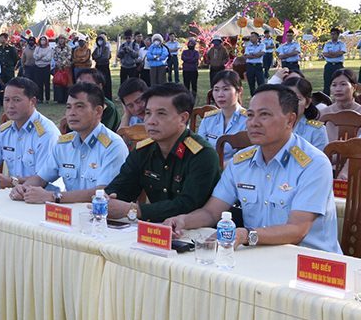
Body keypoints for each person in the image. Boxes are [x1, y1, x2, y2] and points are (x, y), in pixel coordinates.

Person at [163, 84, 341, 255]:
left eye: (264, 115)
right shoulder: (241, 162)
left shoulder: (313, 164)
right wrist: (183, 220)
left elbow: (297, 230)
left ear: (290, 120)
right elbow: (212, 211)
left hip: (310, 264)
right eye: (250, 115)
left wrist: (246, 235)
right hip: (258, 255)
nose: (253, 123)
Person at [104, 83, 222, 223]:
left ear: (183, 119)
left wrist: (133, 210)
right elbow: (122, 187)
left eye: (161, 114)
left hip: (194, 233)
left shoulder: (202, 155)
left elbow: (186, 205)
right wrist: (106, 199)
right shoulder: (143, 151)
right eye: (148, 113)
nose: (150, 121)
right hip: (155, 230)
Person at [9, 82, 128, 204]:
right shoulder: (63, 144)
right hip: (66, 215)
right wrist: (22, 189)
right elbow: (40, 179)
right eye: (68, 107)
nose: (72, 113)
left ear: (98, 112)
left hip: (100, 216)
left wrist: (53, 196)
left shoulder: (113, 145)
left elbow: (102, 192)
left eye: (79, 107)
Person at [197, 70, 248, 163]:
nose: (220, 95)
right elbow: (199, 148)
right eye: (216, 90)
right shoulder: (209, 118)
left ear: (239, 91)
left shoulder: (248, 120)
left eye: (226, 89)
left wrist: (223, 167)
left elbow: (252, 153)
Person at [319, 68, 361, 143]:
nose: (338, 89)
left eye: (343, 84)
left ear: (354, 87)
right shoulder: (323, 113)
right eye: (334, 85)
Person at [321, 28, 346, 95]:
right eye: (331, 34)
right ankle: (326, 100)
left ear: (338, 35)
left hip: (338, 65)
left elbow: (341, 53)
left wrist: (331, 53)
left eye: (334, 34)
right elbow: (325, 54)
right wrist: (336, 54)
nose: (333, 36)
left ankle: (340, 97)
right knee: (327, 83)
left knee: (340, 82)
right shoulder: (327, 44)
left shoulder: (341, 44)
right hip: (329, 65)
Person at [92, 32, 113, 99]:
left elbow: (106, 57)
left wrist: (98, 58)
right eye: (98, 40)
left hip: (105, 66)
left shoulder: (107, 48)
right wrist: (99, 57)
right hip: (98, 66)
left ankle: (107, 96)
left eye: (101, 40)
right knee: (98, 81)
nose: (100, 42)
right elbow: (93, 56)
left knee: (106, 82)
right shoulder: (97, 49)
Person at [33, 34, 53, 103]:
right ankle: (40, 98)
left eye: (44, 40)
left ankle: (47, 99)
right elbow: (35, 56)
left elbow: (48, 58)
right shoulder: (37, 48)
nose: (43, 41)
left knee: (47, 83)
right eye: (42, 40)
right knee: (39, 83)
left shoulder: (49, 49)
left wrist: (40, 57)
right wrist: (41, 56)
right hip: (38, 67)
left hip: (46, 67)